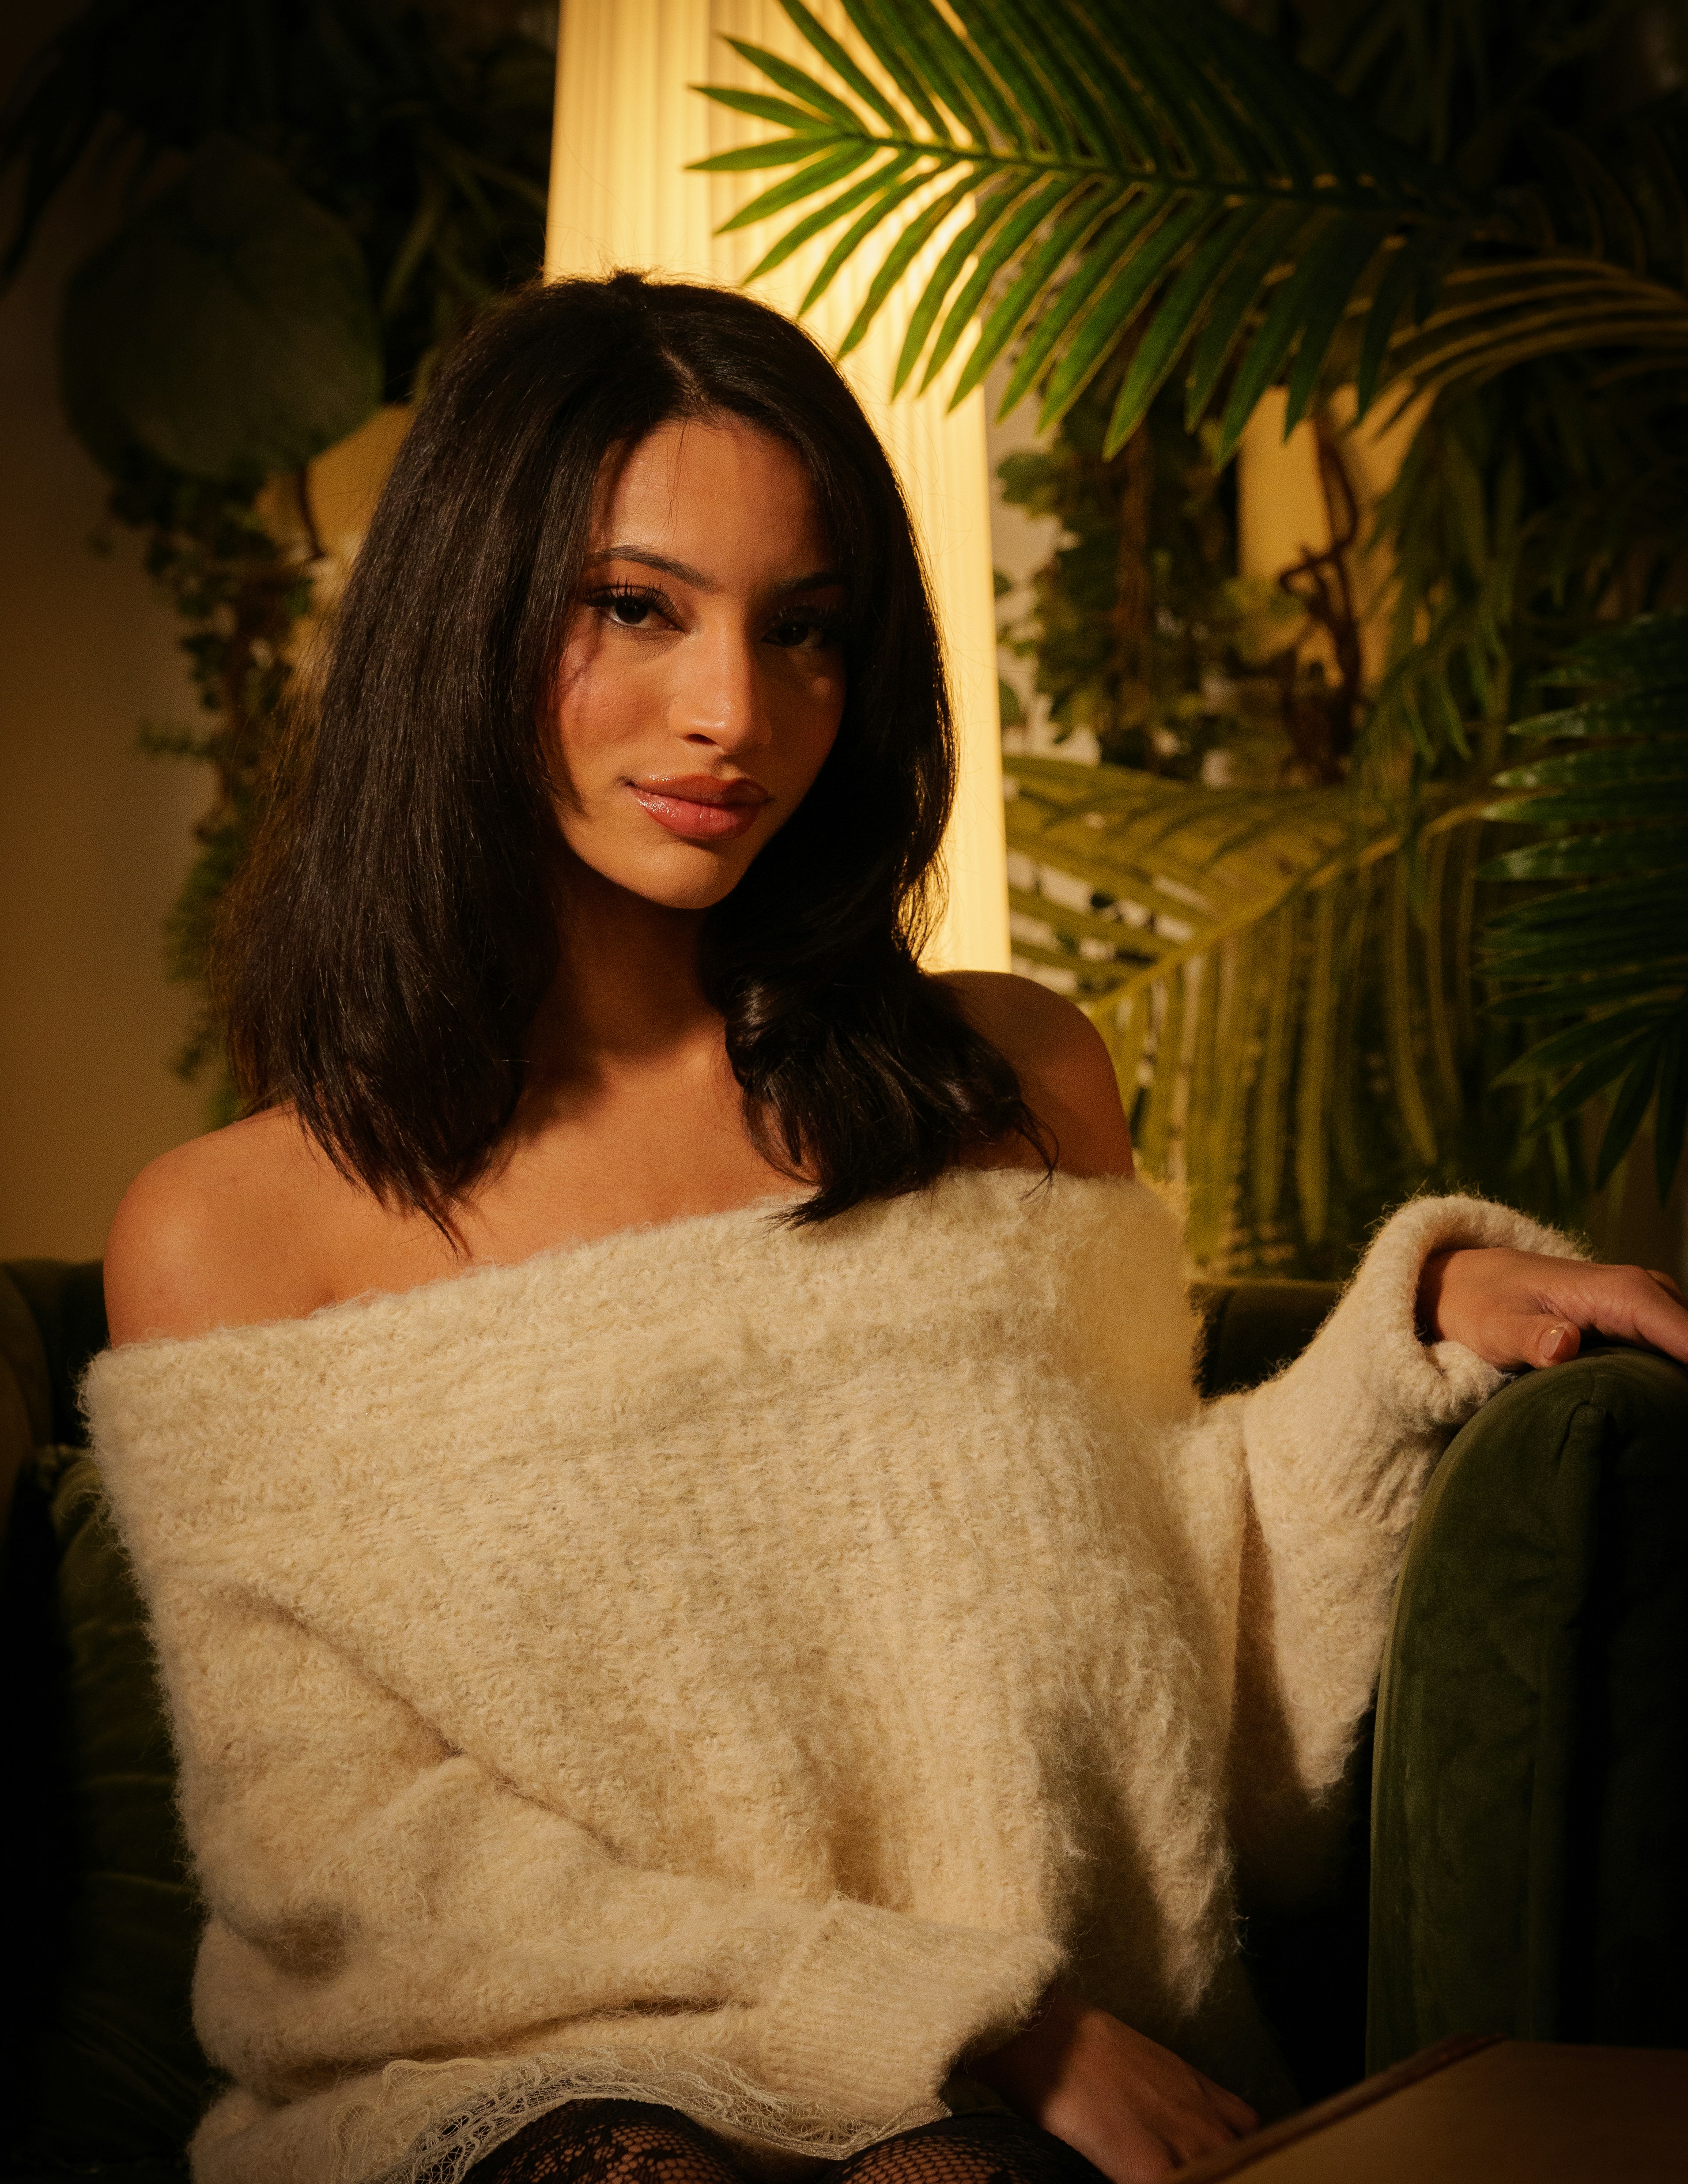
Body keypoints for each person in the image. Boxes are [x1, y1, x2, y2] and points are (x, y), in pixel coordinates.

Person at [93, 274, 1688, 2184]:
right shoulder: (235, 1233)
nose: (732, 714)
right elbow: (345, 1867)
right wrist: (949, 2009)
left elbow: (1163, 1648)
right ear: (467, 612)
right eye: (634, 609)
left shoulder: (1002, 1085)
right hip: (508, 2089)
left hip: (994, 2104)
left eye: (807, 630)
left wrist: (1417, 1329)